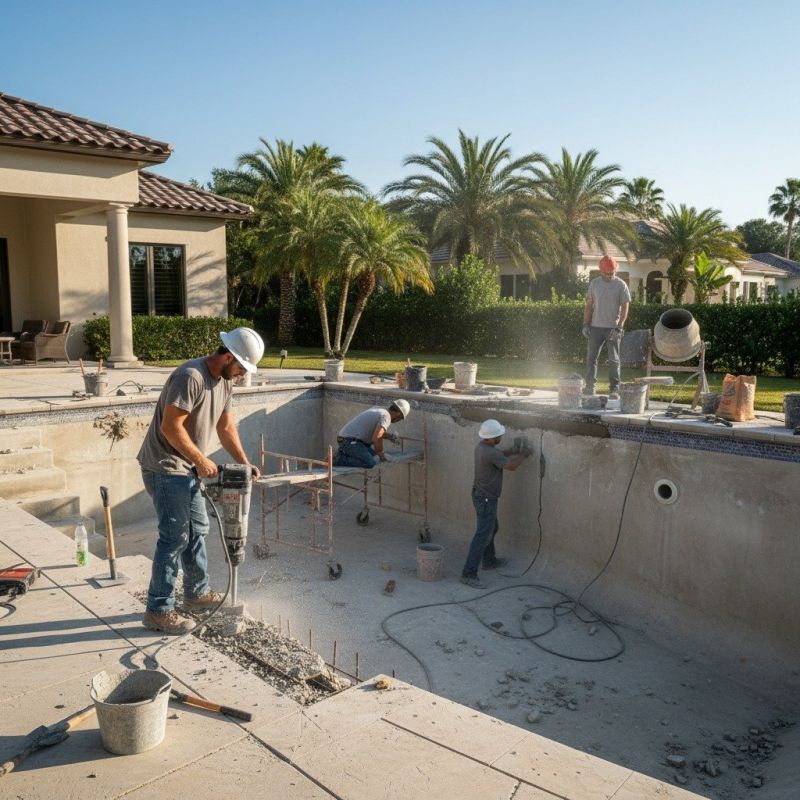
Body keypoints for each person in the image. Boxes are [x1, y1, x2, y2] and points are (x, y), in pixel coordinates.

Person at [138, 327, 265, 634]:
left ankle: (195, 593)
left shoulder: (224, 382)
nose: (240, 375)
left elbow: (226, 428)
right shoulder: (190, 377)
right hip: (165, 467)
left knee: (198, 529)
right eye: (240, 368)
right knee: (174, 537)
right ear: (228, 356)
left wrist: (244, 464)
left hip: (187, 469)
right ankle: (158, 610)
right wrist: (201, 459)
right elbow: (171, 427)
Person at [460, 419, 530, 589]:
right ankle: (469, 573)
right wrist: (524, 455)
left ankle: (489, 560)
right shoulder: (489, 452)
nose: (500, 437)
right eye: (498, 435)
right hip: (486, 499)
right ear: (491, 438)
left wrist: (513, 450)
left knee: (492, 528)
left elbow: (499, 454)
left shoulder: (483, 447)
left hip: (482, 496)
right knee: (483, 534)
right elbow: (512, 466)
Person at [582, 254, 631, 399]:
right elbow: (589, 306)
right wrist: (585, 324)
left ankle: (614, 389)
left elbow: (625, 307)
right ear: (601, 271)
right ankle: (590, 387)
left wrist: (620, 327)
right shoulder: (595, 284)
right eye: (607, 273)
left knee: (614, 360)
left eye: (612, 272)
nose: (610, 275)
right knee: (591, 358)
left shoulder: (621, 285)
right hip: (595, 327)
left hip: (613, 329)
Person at [333, 399, 411, 468]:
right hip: (349, 441)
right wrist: (381, 454)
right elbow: (376, 438)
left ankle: (344, 454)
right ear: (398, 414)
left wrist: (390, 436)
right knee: (370, 462)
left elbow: (375, 433)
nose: (398, 420)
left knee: (374, 457)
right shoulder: (386, 416)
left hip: (351, 441)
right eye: (400, 418)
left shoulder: (380, 410)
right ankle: (338, 459)